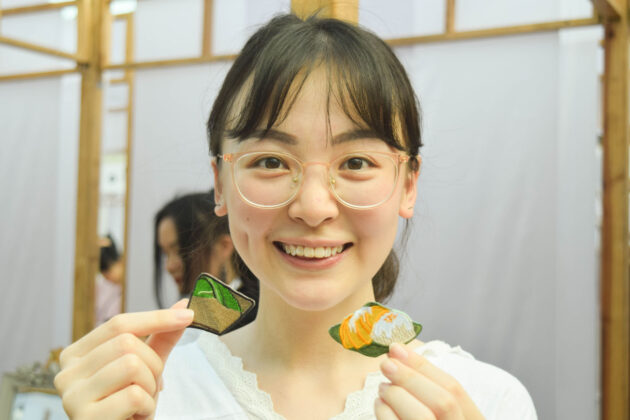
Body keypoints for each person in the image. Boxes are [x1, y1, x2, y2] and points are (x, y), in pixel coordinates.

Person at [54, 14, 537, 419]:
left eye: (356, 163)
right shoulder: (151, 394)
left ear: (407, 185)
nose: (312, 207)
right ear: (220, 184)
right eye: (270, 162)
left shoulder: (487, 401)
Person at [154, 190, 257, 308]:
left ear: (224, 246)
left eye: (180, 251)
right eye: (165, 254)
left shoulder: (253, 315)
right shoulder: (197, 312)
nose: (169, 267)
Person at [95, 234, 123, 325]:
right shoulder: (102, 287)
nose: (107, 278)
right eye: (103, 275)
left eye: (108, 272)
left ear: (120, 261)